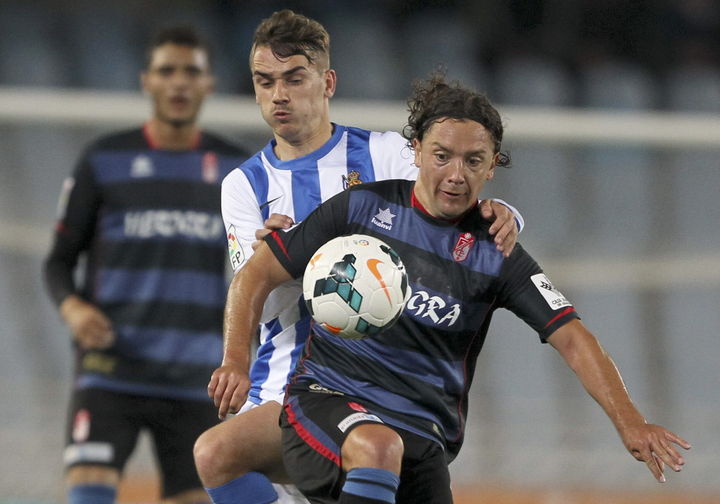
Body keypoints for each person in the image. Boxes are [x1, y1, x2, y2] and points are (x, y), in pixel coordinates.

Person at [212, 73, 691, 504]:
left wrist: (630, 421)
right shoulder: (359, 209)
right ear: (417, 151)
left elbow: (573, 338)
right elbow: (256, 273)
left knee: (385, 447)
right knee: (346, 447)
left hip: (422, 435)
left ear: (492, 166)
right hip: (325, 399)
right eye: (442, 156)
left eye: (473, 160)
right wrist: (235, 360)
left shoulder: (497, 254)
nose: (456, 174)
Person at [192, 9, 522, 504]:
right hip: (283, 381)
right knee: (217, 454)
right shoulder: (243, 185)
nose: (279, 94)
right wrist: (275, 260)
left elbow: (453, 206)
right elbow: (260, 294)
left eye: (294, 79)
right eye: (265, 82)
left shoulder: (386, 155)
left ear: (327, 83)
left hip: (377, 381)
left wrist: (508, 214)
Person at [42, 26, 249, 504]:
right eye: (166, 71)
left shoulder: (237, 169)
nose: (178, 82)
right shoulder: (103, 160)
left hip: (198, 376)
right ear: (146, 81)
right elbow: (58, 261)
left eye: (190, 72)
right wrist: (72, 307)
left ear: (209, 84)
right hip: (110, 367)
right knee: (88, 490)